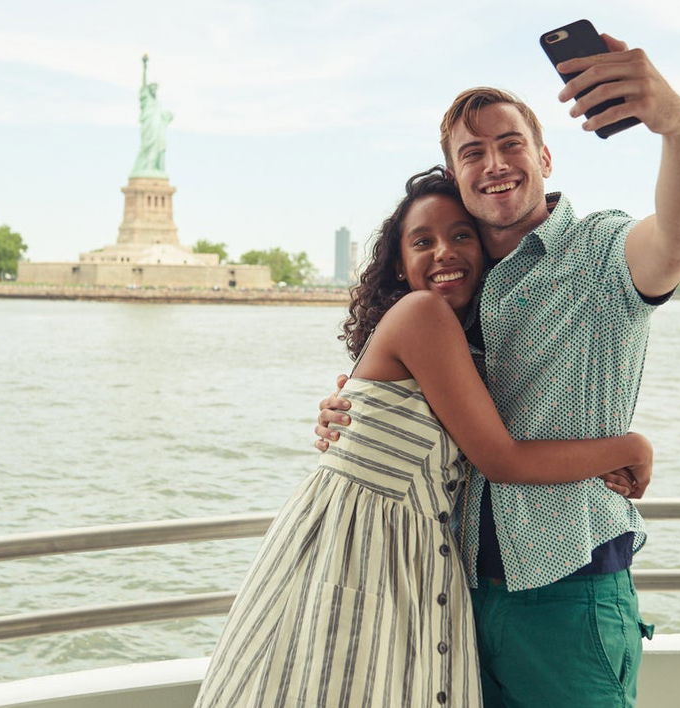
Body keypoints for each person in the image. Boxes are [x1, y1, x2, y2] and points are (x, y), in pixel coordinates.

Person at [315, 35, 680, 707]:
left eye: (510, 145)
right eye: (472, 153)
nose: (494, 164)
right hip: (455, 596)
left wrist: (677, 125)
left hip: (567, 591)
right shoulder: (462, 295)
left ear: (543, 157)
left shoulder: (598, 254)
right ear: (456, 176)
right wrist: (343, 413)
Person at [195, 167, 654, 708]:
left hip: (408, 557)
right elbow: (500, 458)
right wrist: (631, 448)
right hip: (360, 551)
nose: (444, 253)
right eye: (423, 241)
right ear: (399, 261)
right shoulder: (422, 314)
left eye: (461, 235)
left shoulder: (463, 341)